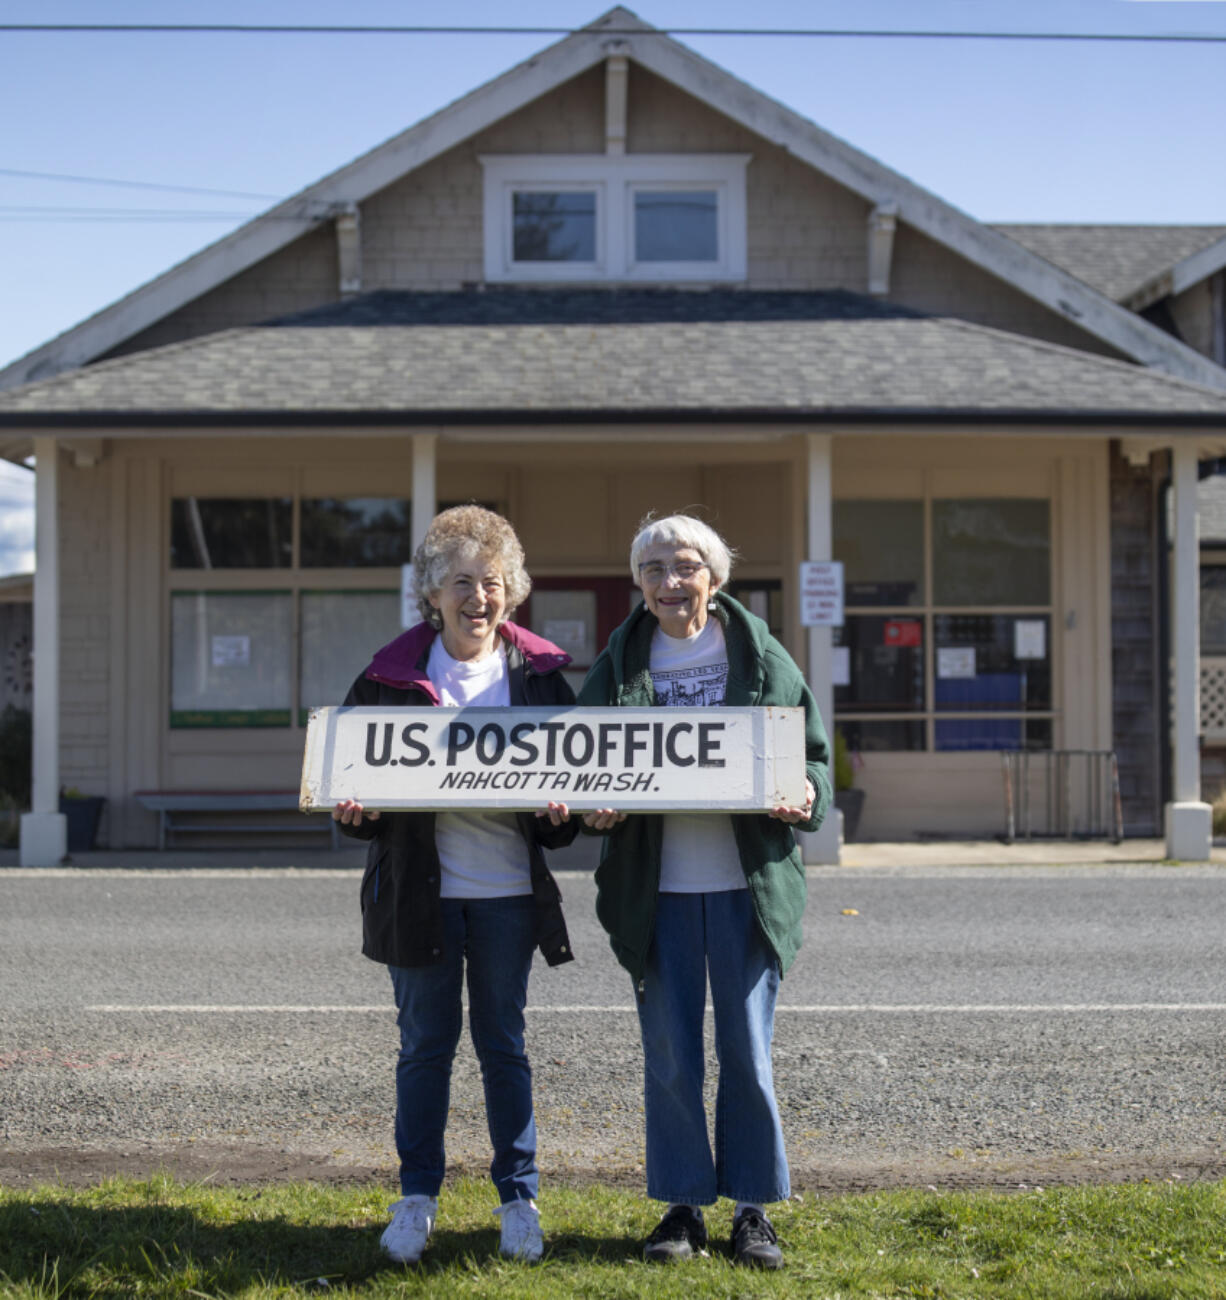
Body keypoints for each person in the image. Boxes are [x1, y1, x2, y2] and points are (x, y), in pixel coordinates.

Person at [575, 513, 830, 1270]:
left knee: (747, 1053)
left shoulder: (760, 654)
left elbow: (811, 758)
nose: (669, 581)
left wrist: (806, 794)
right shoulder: (620, 662)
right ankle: (682, 1206)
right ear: (639, 585)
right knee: (672, 1055)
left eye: (684, 565)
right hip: (657, 894)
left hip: (744, 890)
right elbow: (584, 761)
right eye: (653, 569)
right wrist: (593, 803)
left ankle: (753, 1210)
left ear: (713, 577)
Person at [333, 505, 577, 1265]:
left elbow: (564, 813)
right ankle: (417, 1196)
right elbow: (355, 794)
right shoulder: (388, 679)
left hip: (507, 898)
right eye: (462, 582)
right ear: (432, 594)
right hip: (418, 898)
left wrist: (564, 814)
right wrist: (356, 812)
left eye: (493, 582)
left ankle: (519, 1199)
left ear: (514, 593)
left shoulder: (540, 681)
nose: (479, 597)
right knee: (424, 1050)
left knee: (504, 1046)